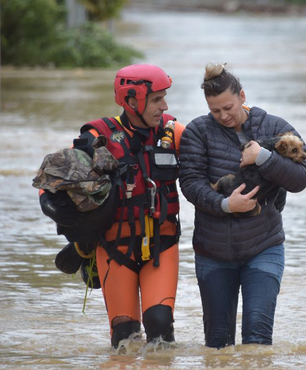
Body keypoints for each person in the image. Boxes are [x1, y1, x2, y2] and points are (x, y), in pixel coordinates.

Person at [45, 64, 185, 348]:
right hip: (114, 250)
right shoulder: (98, 137)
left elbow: (218, 156)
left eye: (164, 97)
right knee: (125, 338)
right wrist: (64, 214)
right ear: (133, 101)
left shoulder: (174, 133)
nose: (165, 106)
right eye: (157, 99)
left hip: (161, 245)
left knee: (159, 325)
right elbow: (54, 180)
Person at [179, 63, 306, 348]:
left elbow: (302, 178)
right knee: (217, 345)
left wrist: (264, 157)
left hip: (264, 246)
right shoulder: (197, 132)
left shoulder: (276, 128)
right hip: (212, 251)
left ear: (242, 95)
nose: (223, 116)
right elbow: (190, 183)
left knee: (257, 341)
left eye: (228, 107)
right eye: (215, 111)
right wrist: (226, 204)